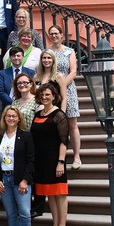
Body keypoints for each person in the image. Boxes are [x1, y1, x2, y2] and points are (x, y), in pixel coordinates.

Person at [0, 105, 37, 226]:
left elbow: (31, 160)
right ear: (4, 118)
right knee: (11, 214)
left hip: (20, 180)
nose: (11, 118)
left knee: (24, 213)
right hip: (4, 179)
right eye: (8, 116)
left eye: (13, 116)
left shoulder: (25, 136)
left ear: (18, 118)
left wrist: (25, 180)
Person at [33, 82, 71, 226]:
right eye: (42, 95)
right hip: (41, 161)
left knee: (60, 194)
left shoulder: (59, 115)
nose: (44, 97)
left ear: (54, 96)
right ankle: (55, 225)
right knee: (50, 194)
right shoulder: (38, 114)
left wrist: (60, 162)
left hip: (55, 161)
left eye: (47, 94)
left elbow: (64, 141)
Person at [47, 26, 82, 169]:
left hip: (68, 89)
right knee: (55, 124)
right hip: (52, 92)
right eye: (52, 34)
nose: (54, 36)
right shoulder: (48, 52)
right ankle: (59, 156)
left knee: (72, 124)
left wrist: (62, 87)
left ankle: (77, 156)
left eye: (57, 33)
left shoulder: (69, 51)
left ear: (62, 35)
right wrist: (54, 90)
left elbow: (73, 71)